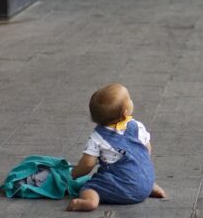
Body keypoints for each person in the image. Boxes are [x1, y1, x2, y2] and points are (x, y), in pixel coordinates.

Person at [67, 83, 167, 211]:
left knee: (90, 186)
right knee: (137, 172)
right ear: (126, 112)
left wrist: (73, 174)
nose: (131, 100)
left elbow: (87, 164)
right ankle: (149, 187)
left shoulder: (98, 137)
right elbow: (146, 150)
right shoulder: (137, 126)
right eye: (129, 98)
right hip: (146, 180)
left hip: (124, 188)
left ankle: (89, 201)